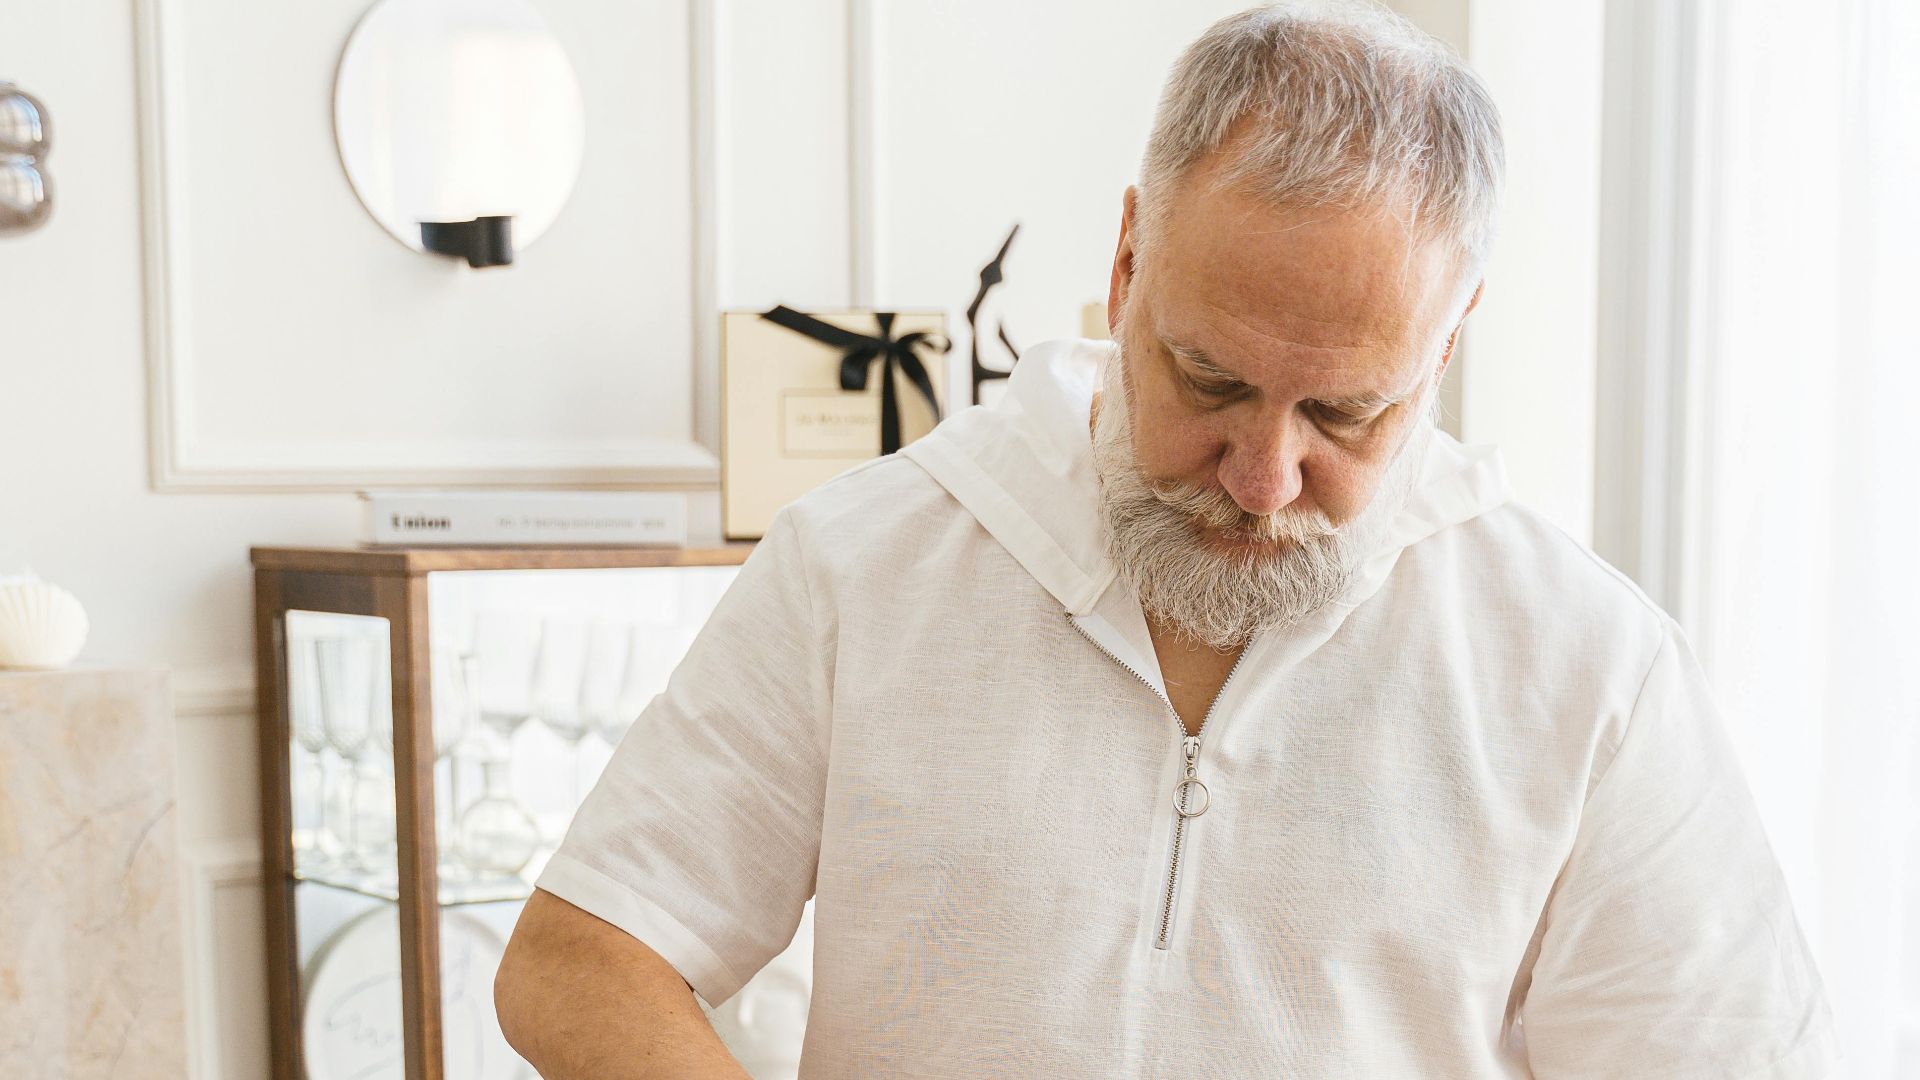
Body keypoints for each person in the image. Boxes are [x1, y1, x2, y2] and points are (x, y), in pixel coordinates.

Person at [494, 3, 1839, 1075]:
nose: (1263, 476)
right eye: (1209, 382)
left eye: (1346, 413)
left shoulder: (1589, 668)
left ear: (1452, 333)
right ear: (1129, 258)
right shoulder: (860, 565)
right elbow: (579, 956)